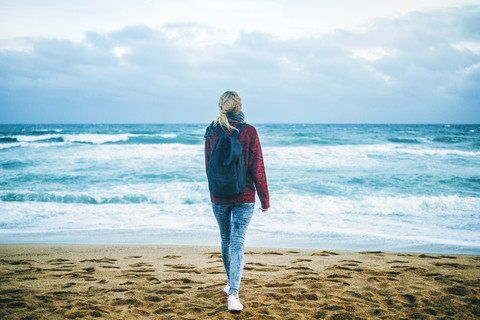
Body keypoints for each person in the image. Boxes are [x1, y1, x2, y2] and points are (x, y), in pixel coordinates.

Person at [204, 90, 270, 312]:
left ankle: (230, 285)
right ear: (240, 107)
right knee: (237, 242)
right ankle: (233, 293)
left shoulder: (212, 131)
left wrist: (213, 192)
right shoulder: (249, 131)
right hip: (244, 196)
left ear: (221, 107)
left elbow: (208, 166)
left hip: (219, 195)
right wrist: (265, 199)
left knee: (226, 238)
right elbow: (257, 167)